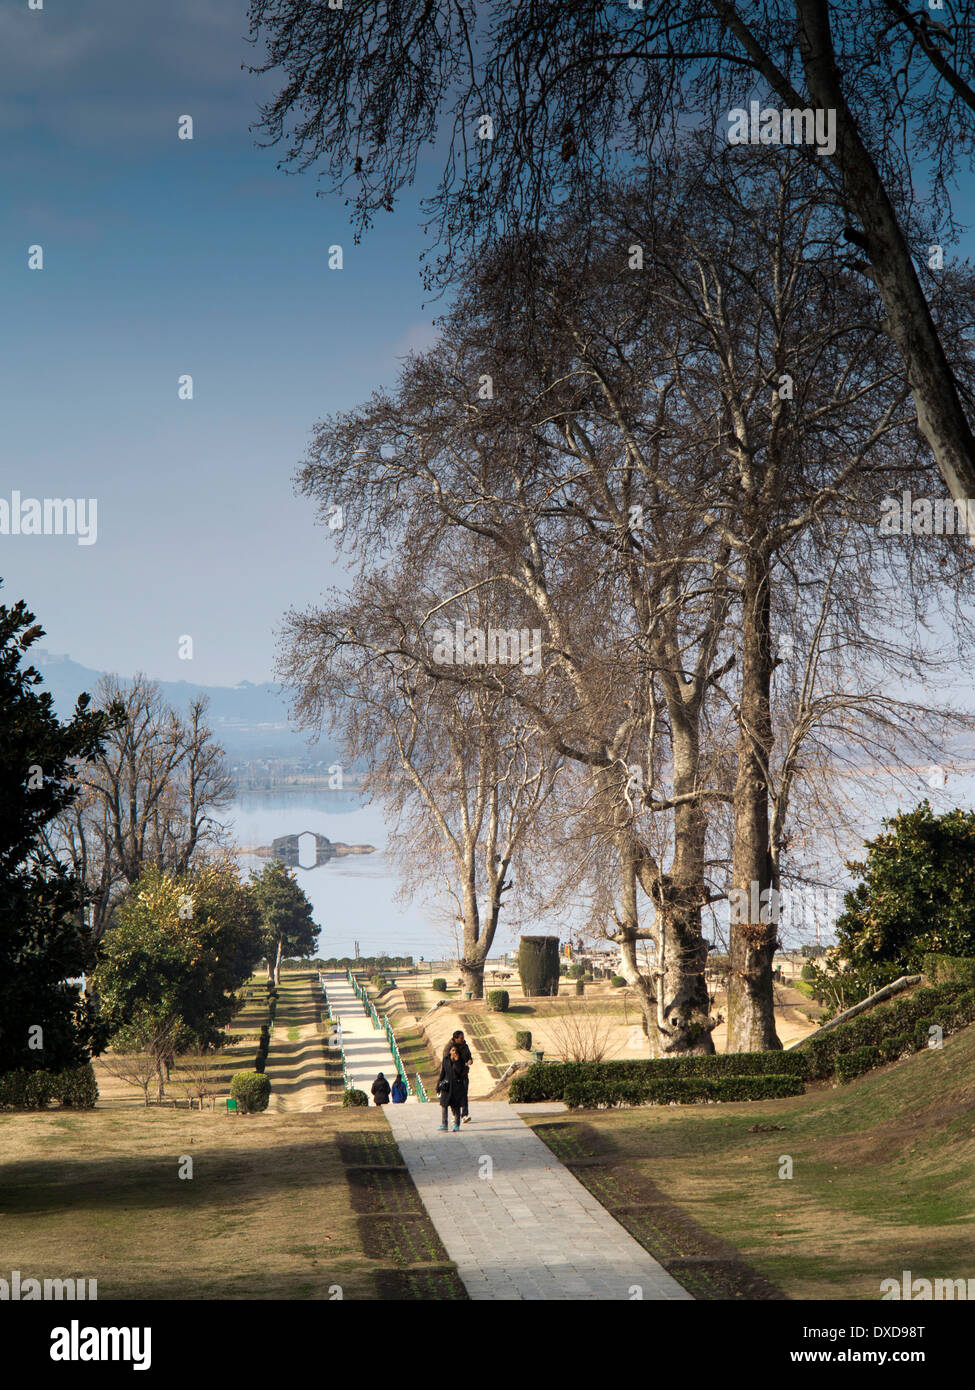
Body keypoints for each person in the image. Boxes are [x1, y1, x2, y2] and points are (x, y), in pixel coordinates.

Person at [442, 1030, 473, 1123]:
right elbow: (446, 1060)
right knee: (454, 1096)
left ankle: (464, 1114)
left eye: (463, 1037)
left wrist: (470, 1060)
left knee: (464, 1095)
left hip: (463, 1074)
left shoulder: (465, 1046)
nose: (463, 1039)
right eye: (461, 1038)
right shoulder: (449, 1048)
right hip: (453, 1076)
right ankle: (455, 1114)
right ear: (455, 1038)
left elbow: (469, 1057)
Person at [435, 1045, 468, 1132]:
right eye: (452, 1050)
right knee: (444, 1105)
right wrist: (438, 1084)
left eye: (456, 1051)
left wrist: (457, 1061)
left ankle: (456, 1125)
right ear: (449, 1051)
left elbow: (459, 1072)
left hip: (457, 1087)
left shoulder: (460, 1060)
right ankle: (444, 1124)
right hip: (447, 1086)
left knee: (456, 1107)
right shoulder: (446, 1060)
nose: (454, 1052)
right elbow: (443, 1073)